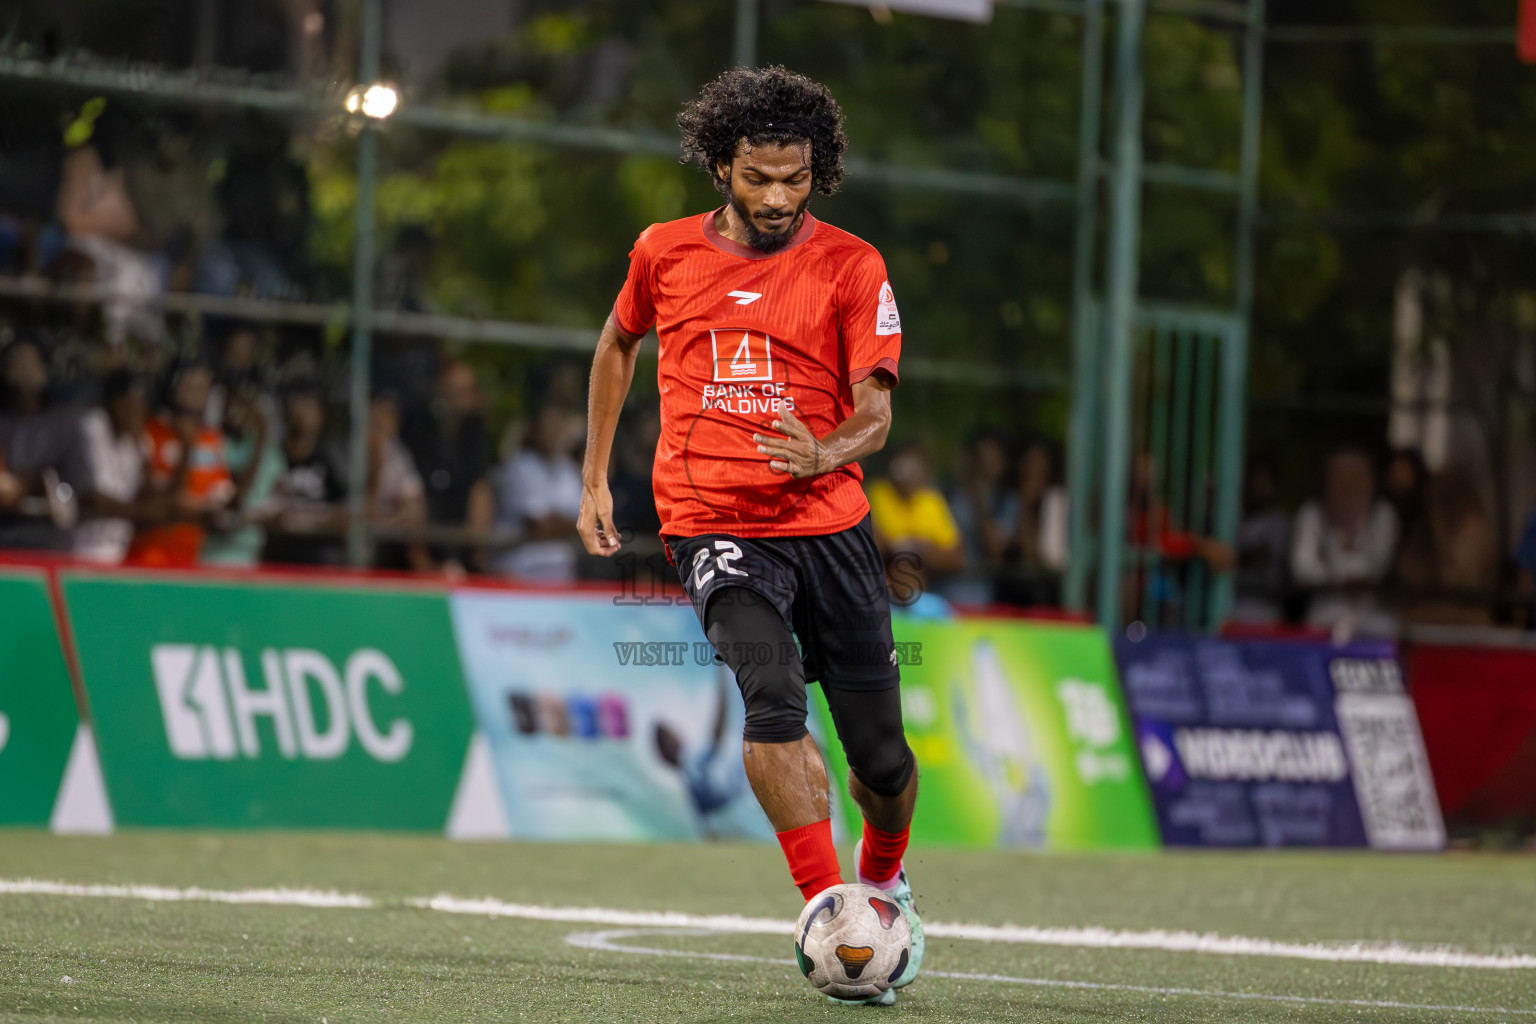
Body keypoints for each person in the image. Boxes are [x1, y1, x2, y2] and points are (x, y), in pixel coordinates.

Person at [577, 66, 922, 1005]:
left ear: (820, 171)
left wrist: (827, 453)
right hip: (712, 523)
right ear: (720, 165)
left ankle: (884, 881)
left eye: (796, 180)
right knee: (771, 696)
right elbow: (617, 342)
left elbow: (876, 414)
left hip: (833, 525)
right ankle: (827, 909)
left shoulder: (854, 266)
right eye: (759, 177)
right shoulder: (663, 251)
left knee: (883, 764)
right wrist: (595, 473)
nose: (777, 198)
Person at [128, 360, 235, 567]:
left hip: (191, 557)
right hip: (148, 556)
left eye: (204, 387)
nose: (198, 393)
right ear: (173, 386)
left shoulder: (212, 440)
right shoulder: (149, 433)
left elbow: (223, 496)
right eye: (190, 385)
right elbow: (156, 499)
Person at [1290, 447, 1398, 636]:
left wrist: (1347, 576)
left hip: (1372, 615)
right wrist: (1337, 579)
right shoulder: (1312, 513)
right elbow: (1302, 569)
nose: (1347, 485)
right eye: (1340, 477)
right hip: (1324, 612)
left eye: (1355, 477)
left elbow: (1379, 566)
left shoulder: (1382, 514)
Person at [403, 359, 494, 574]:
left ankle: (474, 565)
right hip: (427, 508)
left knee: (482, 493)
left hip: (459, 513)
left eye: (465, 391)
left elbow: (477, 480)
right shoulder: (418, 428)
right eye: (454, 390)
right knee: (411, 496)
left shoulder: (474, 434)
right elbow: (413, 480)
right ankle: (423, 564)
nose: (460, 398)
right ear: (438, 391)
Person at [866, 443, 966, 608]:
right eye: (900, 465)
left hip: (925, 586)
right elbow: (868, 542)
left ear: (925, 473)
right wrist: (894, 547)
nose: (905, 474)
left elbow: (957, 558)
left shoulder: (932, 502)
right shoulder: (876, 493)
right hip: (882, 585)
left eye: (912, 467)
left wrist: (921, 549)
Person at [491, 403, 583, 582]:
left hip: (562, 574)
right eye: (548, 425)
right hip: (521, 571)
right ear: (535, 428)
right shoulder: (518, 467)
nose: (553, 431)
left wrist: (564, 523)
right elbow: (538, 525)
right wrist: (569, 524)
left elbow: (586, 524)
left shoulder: (570, 470)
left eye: (558, 425)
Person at [262, 387, 346, 566]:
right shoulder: (274, 457)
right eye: (299, 405)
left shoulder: (326, 460)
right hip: (278, 551)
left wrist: (313, 519)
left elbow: (342, 510)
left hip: (316, 553)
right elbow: (266, 506)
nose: (304, 413)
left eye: (310, 406)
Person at [75, 368, 147, 564]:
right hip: (80, 551)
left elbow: (147, 492)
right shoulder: (91, 427)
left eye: (140, 401)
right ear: (114, 400)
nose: (136, 407)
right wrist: (143, 512)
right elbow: (92, 496)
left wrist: (140, 446)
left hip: (117, 554)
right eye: (129, 400)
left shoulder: (136, 439)